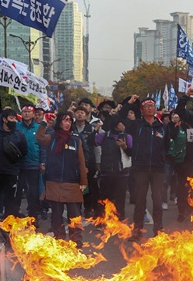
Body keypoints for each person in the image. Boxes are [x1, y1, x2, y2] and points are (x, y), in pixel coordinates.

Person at [119, 96, 170, 242]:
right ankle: (137, 231)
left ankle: (158, 231)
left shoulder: (163, 127)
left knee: (157, 200)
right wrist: (128, 103)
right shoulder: (137, 126)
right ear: (142, 109)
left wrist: (160, 158)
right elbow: (121, 118)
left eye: (152, 106)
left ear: (155, 109)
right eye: (146, 106)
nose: (149, 108)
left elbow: (166, 146)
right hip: (140, 168)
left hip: (158, 169)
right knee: (140, 201)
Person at [36, 112, 87, 248]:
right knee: (57, 216)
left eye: (69, 121)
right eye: (64, 120)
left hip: (72, 183)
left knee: (75, 215)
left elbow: (81, 163)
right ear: (59, 122)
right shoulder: (51, 137)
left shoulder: (76, 141)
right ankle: (59, 240)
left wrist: (83, 182)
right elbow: (39, 137)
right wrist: (44, 123)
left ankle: (76, 240)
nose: (67, 123)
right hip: (54, 182)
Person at [95, 116, 132, 221]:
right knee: (104, 198)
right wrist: (95, 130)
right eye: (122, 123)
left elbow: (132, 153)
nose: (124, 126)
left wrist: (125, 147)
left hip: (122, 173)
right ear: (117, 125)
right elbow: (91, 142)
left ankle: (119, 218)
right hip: (107, 172)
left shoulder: (127, 136)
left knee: (120, 198)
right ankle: (102, 219)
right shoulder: (104, 136)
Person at [16, 105, 46, 223]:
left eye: (29, 112)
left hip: (33, 164)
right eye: (24, 112)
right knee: (17, 191)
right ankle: (14, 216)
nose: (27, 114)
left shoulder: (39, 128)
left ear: (34, 114)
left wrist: (42, 162)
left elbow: (43, 147)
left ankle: (33, 216)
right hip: (18, 164)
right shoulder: (17, 126)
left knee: (32, 191)